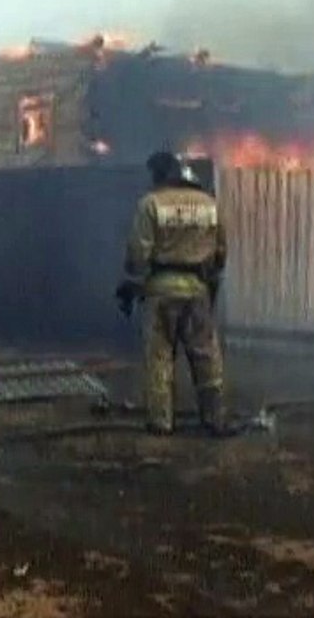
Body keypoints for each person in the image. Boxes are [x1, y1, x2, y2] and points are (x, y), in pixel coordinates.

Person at [117, 151, 228, 436]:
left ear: (160, 175)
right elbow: (220, 254)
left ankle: (161, 422)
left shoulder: (150, 204)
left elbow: (138, 254)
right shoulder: (210, 205)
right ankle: (214, 418)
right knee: (206, 356)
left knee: (160, 357)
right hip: (198, 290)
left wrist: (131, 282)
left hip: (161, 290)